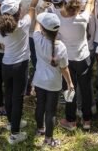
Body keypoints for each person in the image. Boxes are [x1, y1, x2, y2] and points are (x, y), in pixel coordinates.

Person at [0, 0, 44, 145]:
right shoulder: (23, 25)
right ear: (18, 12)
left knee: (8, 94)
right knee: (17, 98)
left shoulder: (1, 28)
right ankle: (15, 134)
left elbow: (2, 44)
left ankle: (12, 122)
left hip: (6, 64)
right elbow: (32, 7)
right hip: (20, 65)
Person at [57, 0, 98, 131]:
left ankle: (71, 121)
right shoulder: (83, 18)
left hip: (67, 60)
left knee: (69, 88)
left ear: (66, 3)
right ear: (79, 5)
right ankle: (87, 121)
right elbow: (91, 4)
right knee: (86, 89)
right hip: (83, 59)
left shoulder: (59, 20)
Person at [33, 12, 74, 147]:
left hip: (39, 80)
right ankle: (49, 139)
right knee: (50, 111)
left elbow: (37, 26)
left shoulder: (37, 38)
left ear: (44, 29)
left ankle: (40, 129)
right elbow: (64, 68)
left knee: (40, 105)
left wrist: (41, 13)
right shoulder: (61, 47)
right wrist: (70, 83)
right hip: (54, 83)